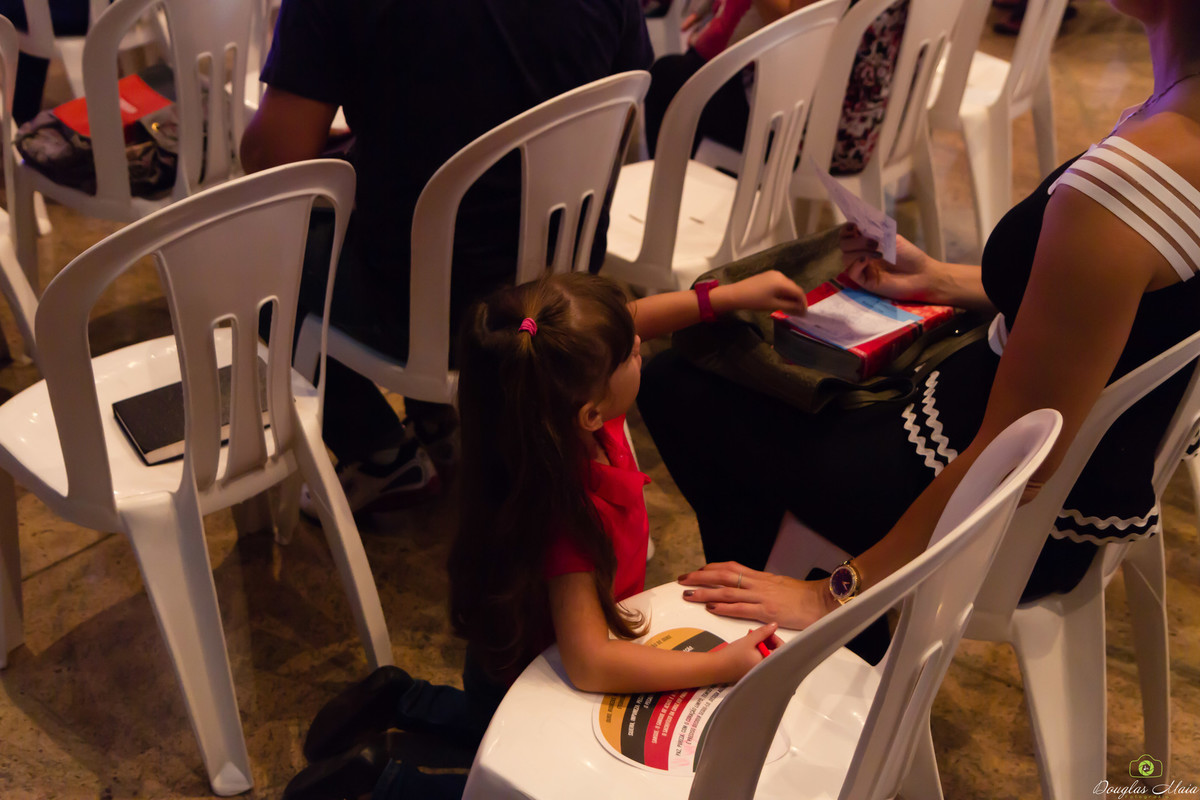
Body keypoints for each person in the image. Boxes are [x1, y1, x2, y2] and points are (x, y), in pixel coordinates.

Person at [637, 0, 1200, 629]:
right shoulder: (1174, 132)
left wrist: (836, 595)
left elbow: (1018, 458)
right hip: (1065, 477)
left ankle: (792, 635)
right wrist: (942, 280)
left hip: (999, 514)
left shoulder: (1130, 184)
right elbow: (1108, 308)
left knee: (679, 386)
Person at [281, 270, 807, 800]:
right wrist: (716, 666)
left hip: (510, 656)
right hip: (533, 676)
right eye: (628, 355)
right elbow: (589, 661)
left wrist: (720, 298)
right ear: (591, 410)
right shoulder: (570, 515)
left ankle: (402, 700)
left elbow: (628, 323)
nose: (641, 347)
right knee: (516, 777)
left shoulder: (557, 409)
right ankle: (383, 785)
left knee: (486, 717)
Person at [239, 0, 653, 514]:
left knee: (242, 246)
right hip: (563, 298)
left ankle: (380, 455)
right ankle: (439, 423)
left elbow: (273, 160)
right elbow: (621, 114)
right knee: (435, 216)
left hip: (426, 316)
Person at [642, 0, 910, 175]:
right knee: (686, 70)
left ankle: (665, 214)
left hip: (810, 136)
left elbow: (799, 22)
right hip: (869, 127)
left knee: (671, 80)